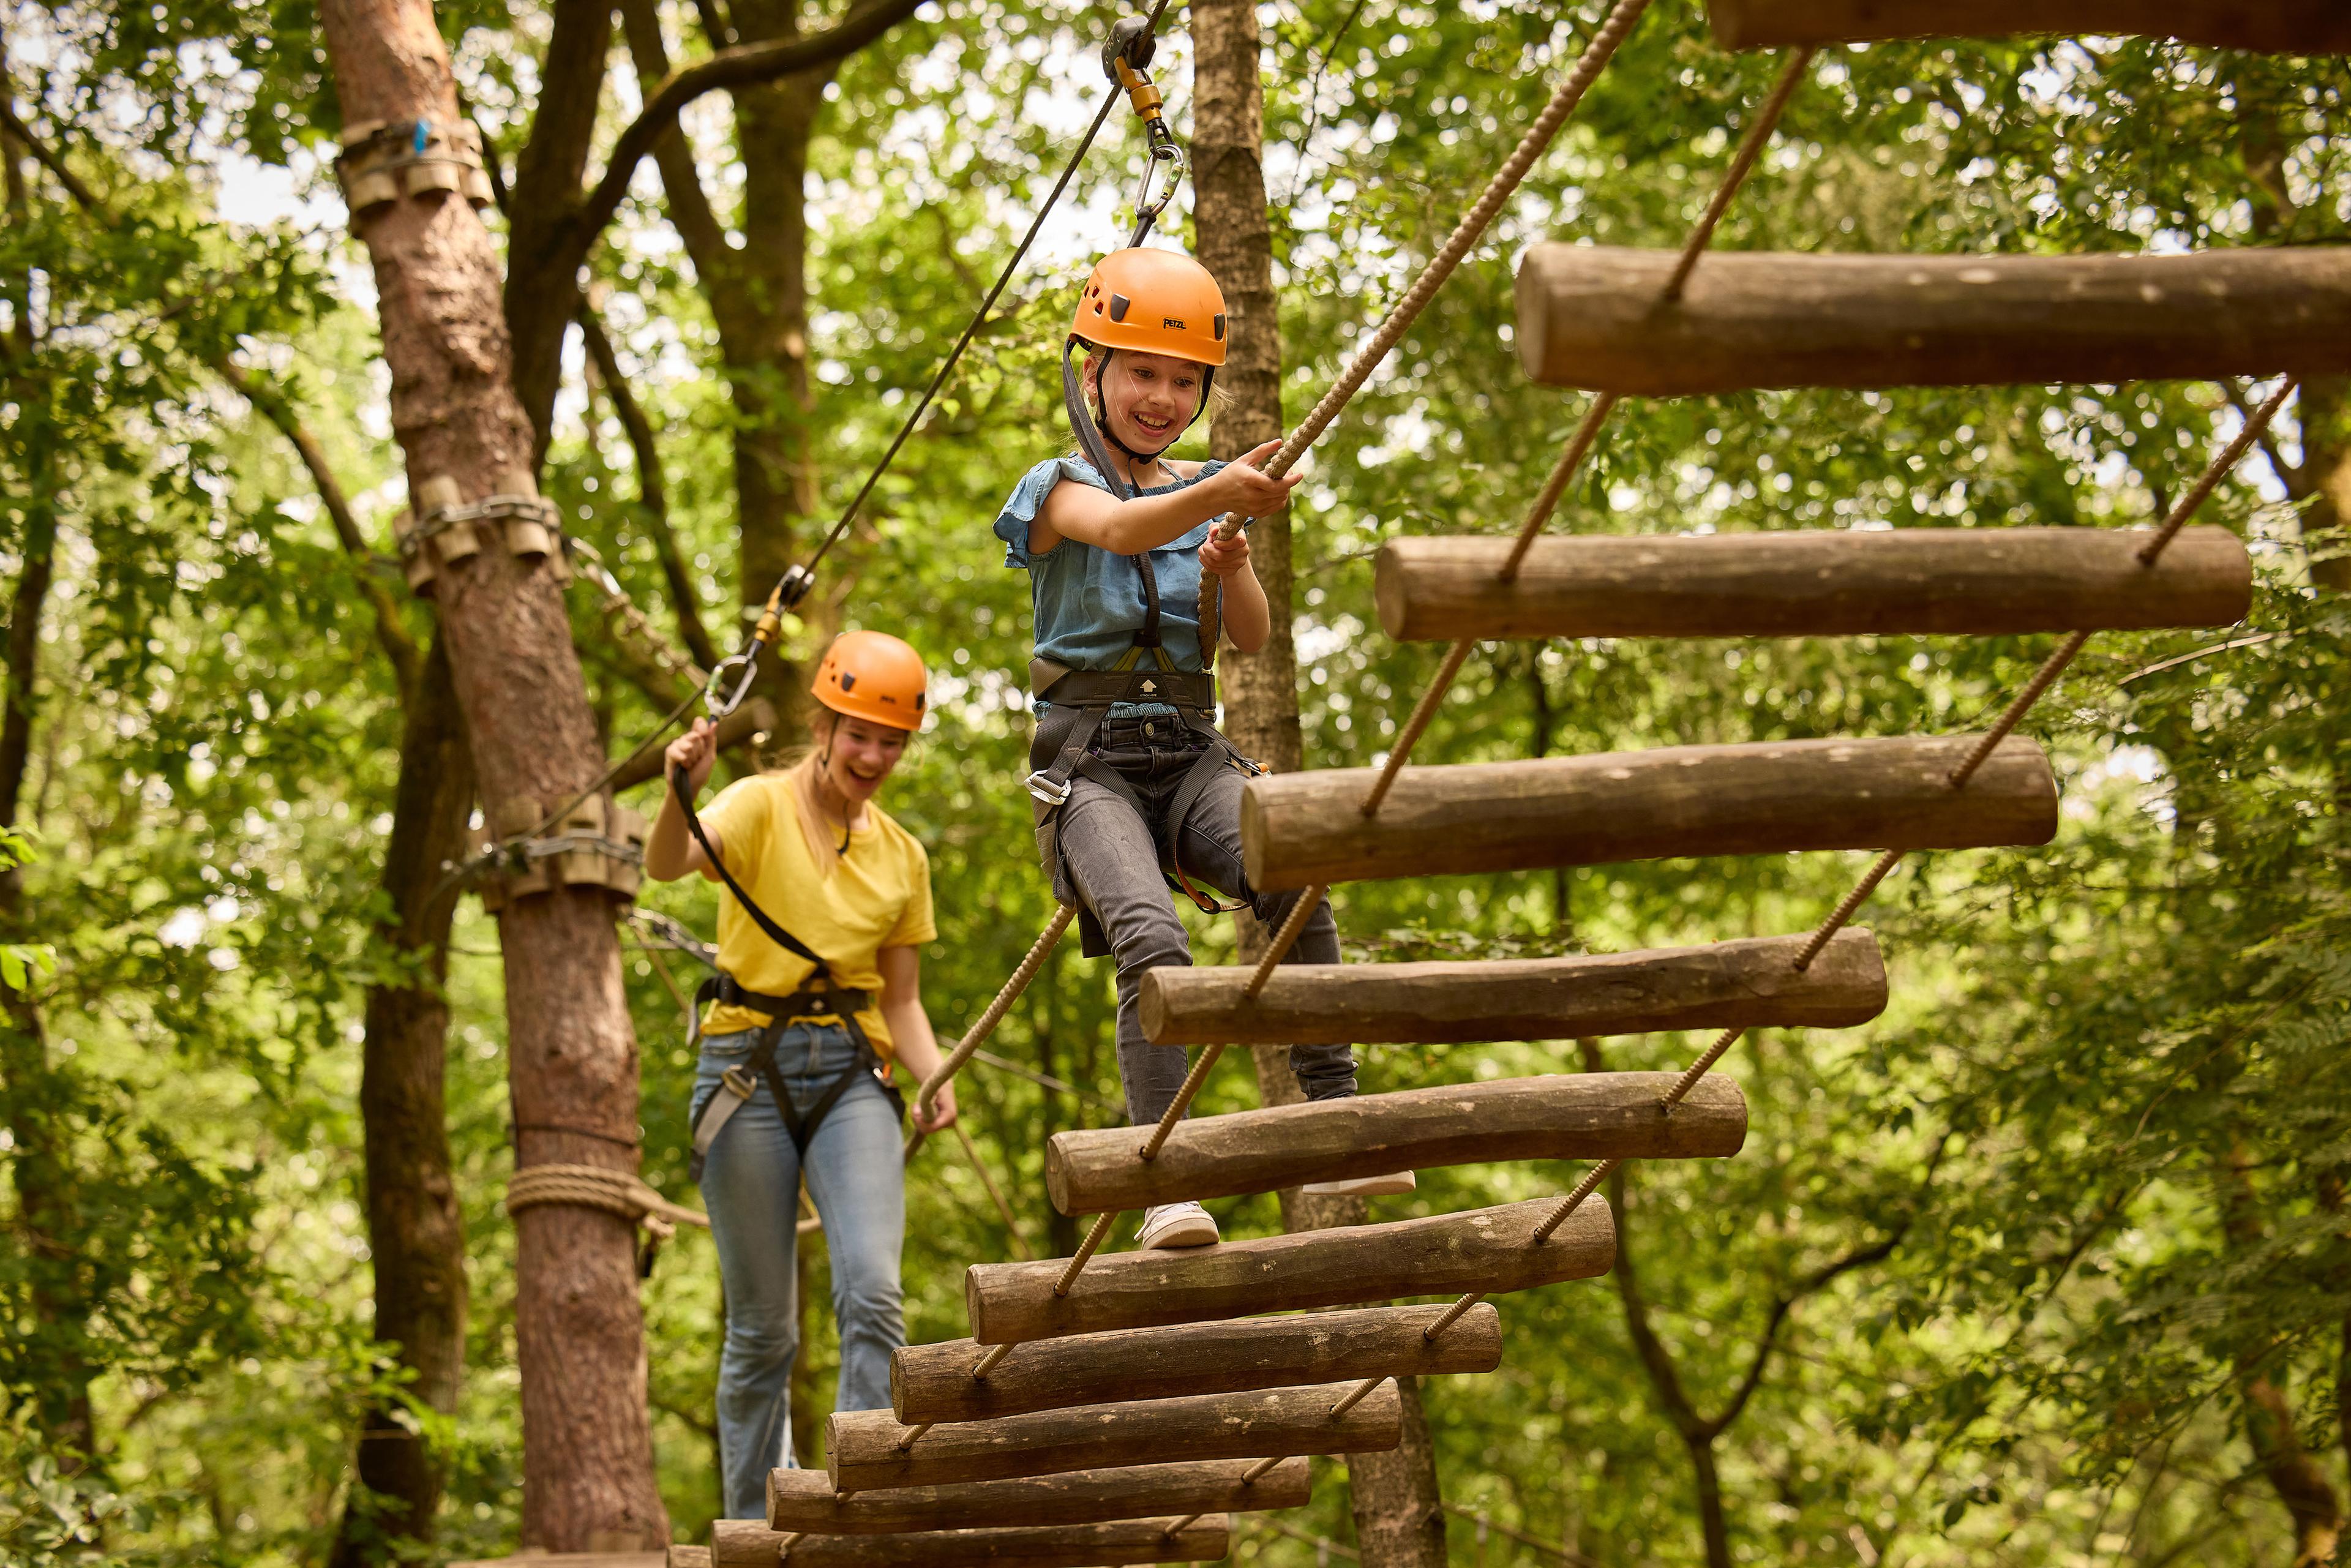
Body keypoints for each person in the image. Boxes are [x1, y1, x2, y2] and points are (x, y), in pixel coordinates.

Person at [993, 247, 1412, 1253]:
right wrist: (1216, 494)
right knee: (1150, 934)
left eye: (1185, 381)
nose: (1163, 396)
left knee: (1294, 871)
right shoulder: (1057, 488)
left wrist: (1228, 562)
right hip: (1088, 765)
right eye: (1142, 371)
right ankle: (1165, 1182)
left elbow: (1250, 637)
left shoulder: (1200, 494)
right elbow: (1127, 530)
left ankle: (1334, 1114)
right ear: (1090, 368)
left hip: (1187, 752)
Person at [644, 630, 956, 1519]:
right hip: (746, 1067)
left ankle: (849, 1510)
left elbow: (902, 1002)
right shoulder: (754, 805)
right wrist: (683, 794)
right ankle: (751, 1525)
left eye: (892, 740)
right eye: (860, 732)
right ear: (825, 722)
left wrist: (934, 1076)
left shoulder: (902, 856)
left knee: (874, 1290)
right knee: (763, 1332)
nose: (874, 755)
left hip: (853, 1072)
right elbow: (667, 864)